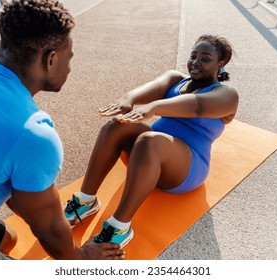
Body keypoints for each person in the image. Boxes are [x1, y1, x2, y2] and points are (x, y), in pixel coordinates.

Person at [0, 0, 125, 260]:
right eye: (68, 58)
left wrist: (44, 207)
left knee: (7, 238)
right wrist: (82, 258)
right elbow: (48, 230)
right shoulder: (32, 132)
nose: (69, 67)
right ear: (51, 60)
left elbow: (8, 178)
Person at [64, 34, 239, 248]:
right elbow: (151, 88)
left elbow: (197, 106)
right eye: (193, 56)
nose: (196, 62)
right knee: (117, 125)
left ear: (220, 64)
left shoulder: (227, 95)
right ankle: (85, 200)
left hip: (186, 167)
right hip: (146, 155)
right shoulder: (177, 79)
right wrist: (127, 100)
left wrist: (154, 107)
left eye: (205, 58)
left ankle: (119, 227)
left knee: (150, 140)